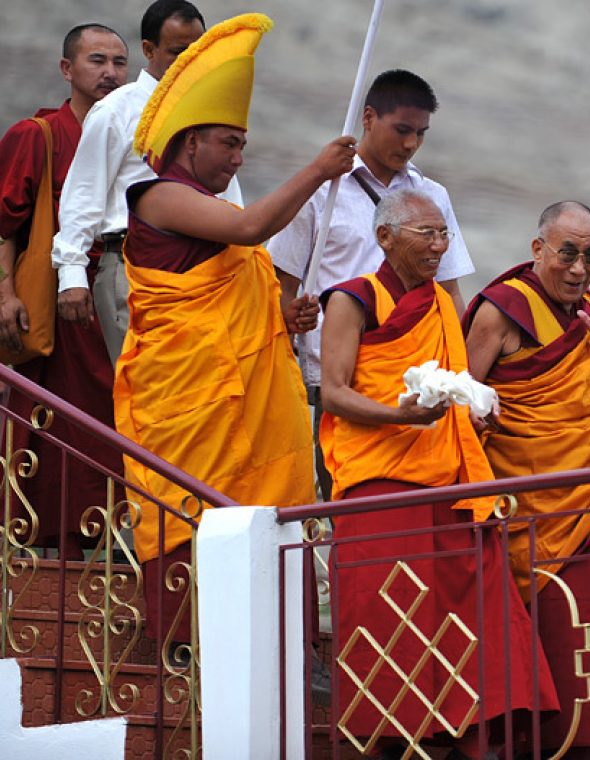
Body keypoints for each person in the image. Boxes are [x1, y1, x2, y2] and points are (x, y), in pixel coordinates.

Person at [115, 12, 353, 641]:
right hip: (187, 399)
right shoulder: (156, 194)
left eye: (243, 144)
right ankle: (180, 654)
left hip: (246, 400)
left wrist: (281, 316)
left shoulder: (211, 207)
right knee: (184, 506)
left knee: (268, 513)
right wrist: (318, 170)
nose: (238, 156)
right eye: (228, 142)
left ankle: (281, 648)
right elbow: (251, 231)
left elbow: (237, 294)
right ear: (190, 141)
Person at [319, 188, 556, 759]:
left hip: (449, 482)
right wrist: (399, 416)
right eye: (426, 234)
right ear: (385, 237)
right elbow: (333, 392)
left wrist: (474, 418)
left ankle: (462, 738)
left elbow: (450, 386)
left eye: (443, 234)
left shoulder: (442, 306)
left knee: (469, 620)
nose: (439, 246)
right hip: (382, 484)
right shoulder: (353, 299)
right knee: (389, 622)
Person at [463, 201, 590, 758]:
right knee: (552, 634)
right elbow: (461, 403)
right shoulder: (500, 310)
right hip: (527, 513)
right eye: (568, 253)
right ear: (538, 250)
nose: (580, 269)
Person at [269, 69, 475, 500]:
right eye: (401, 129)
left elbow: (450, 292)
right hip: (336, 375)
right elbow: (280, 283)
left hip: (421, 379)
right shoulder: (321, 190)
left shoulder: (432, 195)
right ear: (367, 117)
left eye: (420, 133)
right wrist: (291, 317)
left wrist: (466, 382)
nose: (410, 144)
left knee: (424, 502)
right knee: (343, 495)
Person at [52, 0, 242, 364]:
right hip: (131, 268)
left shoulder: (212, 112)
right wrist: (72, 274)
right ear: (149, 50)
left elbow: (228, 197)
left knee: (196, 399)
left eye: (198, 50)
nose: (189, 60)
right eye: (177, 52)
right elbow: (83, 194)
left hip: (203, 274)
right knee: (146, 393)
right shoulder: (116, 109)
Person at [0, 23, 129, 559]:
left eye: (119, 63)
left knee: (106, 424)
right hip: (51, 303)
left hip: (109, 306)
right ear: (66, 69)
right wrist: (5, 293)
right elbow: (4, 223)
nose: (109, 73)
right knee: (46, 426)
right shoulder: (39, 134)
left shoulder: (127, 132)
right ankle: (38, 553)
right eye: (96, 61)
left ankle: (100, 544)